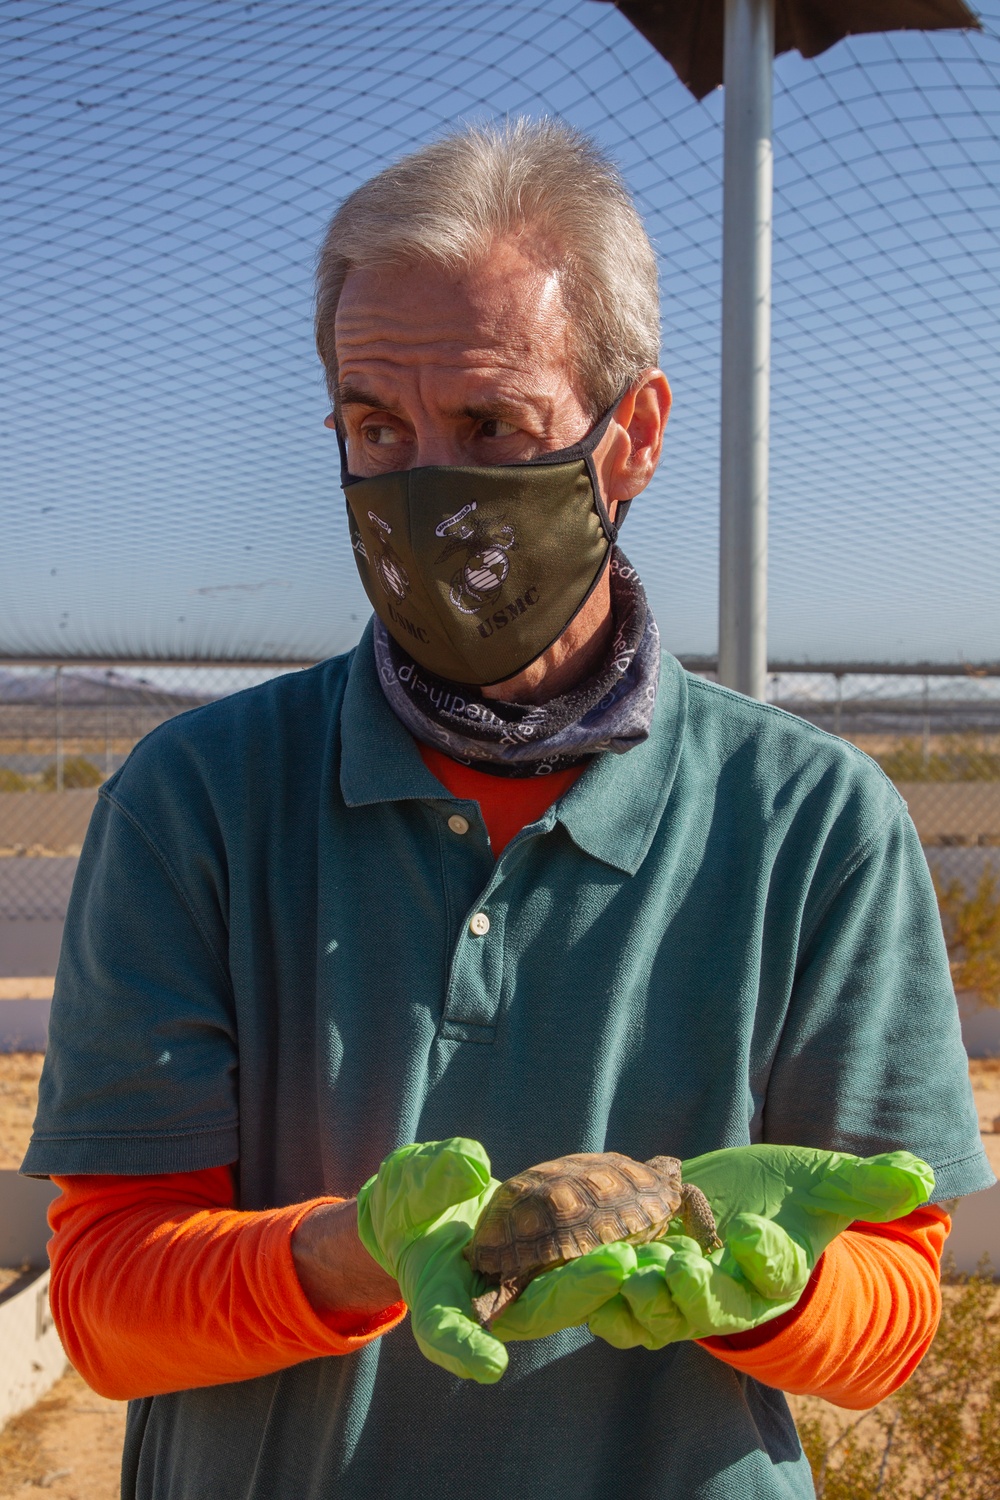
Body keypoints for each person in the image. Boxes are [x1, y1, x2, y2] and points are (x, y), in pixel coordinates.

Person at [24, 120, 992, 1500]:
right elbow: (107, 1303)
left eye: (488, 425)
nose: (423, 487)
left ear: (633, 435)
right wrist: (349, 1252)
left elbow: (891, 1317)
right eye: (374, 425)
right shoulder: (196, 805)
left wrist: (765, 1294)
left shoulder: (815, 824)